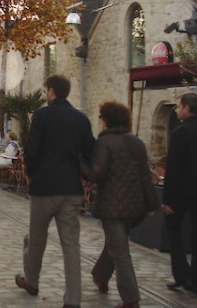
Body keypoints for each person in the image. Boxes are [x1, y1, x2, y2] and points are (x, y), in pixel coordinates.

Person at [15, 74, 95, 308]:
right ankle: (73, 299)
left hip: (45, 188)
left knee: (36, 239)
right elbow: (89, 150)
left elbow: (32, 150)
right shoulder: (81, 119)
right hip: (71, 188)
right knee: (71, 245)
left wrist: (31, 174)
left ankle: (32, 281)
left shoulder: (42, 116)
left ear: (51, 91)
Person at [79, 102, 159, 308]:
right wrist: (152, 204)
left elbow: (96, 174)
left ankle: (131, 299)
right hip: (135, 205)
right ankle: (100, 275)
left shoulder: (104, 143)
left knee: (120, 250)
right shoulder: (137, 142)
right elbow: (145, 177)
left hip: (113, 206)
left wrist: (79, 162)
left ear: (106, 119)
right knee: (117, 243)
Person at [162, 92, 197, 293]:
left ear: (187, 108)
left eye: (178, 107)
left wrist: (167, 199)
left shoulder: (181, 133)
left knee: (173, 230)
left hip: (182, 192)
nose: (176, 110)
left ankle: (182, 273)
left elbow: (174, 168)